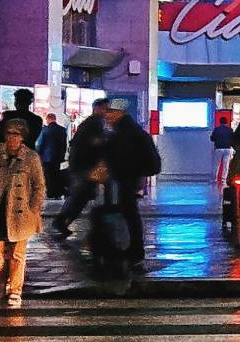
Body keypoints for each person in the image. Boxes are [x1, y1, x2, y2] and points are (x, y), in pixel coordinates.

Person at [0, 118, 46, 308]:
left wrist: (33, 209)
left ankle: (15, 290)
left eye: (16, 134)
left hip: (20, 213)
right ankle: (0, 285)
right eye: (9, 133)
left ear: (23, 137)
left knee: (18, 255)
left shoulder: (31, 157)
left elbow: (39, 186)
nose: (12, 138)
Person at [101, 96, 162, 267]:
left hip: (124, 179)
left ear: (119, 113)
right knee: (129, 214)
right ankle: (133, 249)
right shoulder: (131, 130)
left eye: (110, 112)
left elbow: (121, 157)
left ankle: (132, 250)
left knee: (127, 214)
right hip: (129, 178)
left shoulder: (123, 133)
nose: (107, 116)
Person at [51, 99, 110, 239]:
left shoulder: (94, 124)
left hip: (85, 166)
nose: (106, 112)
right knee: (80, 196)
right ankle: (61, 221)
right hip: (84, 167)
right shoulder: (93, 124)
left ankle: (63, 222)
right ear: (96, 108)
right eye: (104, 108)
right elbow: (91, 144)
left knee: (82, 197)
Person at [38, 110, 69, 200]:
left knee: (48, 175)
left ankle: (51, 192)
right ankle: (58, 192)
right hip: (58, 157)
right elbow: (64, 144)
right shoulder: (62, 130)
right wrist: (62, 155)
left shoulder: (44, 130)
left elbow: (40, 144)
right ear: (55, 119)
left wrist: (38, 154)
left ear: (48, 120)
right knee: (57, 174)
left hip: (46, 158)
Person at [208, 112, 236, 187]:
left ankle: (214, 180)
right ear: (226, 122)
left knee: (216, 165)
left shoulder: (216, 129)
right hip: (227, 148)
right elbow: (233, 139)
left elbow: (212, 138)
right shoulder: (230, 130)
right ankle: (223, 180)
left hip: (219, 149)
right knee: (226, 166)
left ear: (220, 122)